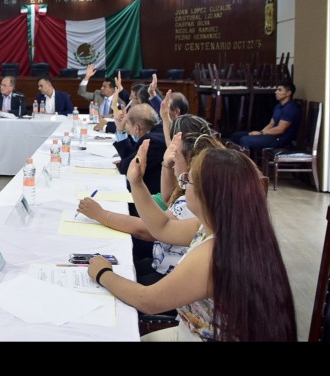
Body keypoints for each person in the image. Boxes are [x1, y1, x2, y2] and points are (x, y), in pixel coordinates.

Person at [88, 141, 297, 342]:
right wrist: (137, 182)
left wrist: (102, 273)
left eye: (188, 180)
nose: (183, 184)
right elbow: (162, 227)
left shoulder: (213, 254)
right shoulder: (227, 229)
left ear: (207, 194)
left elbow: (148, 301)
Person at [78, 116, 219, 287]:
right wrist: (166, 165)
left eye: (175, 160)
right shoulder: (200, 195)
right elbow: (168, 202)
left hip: (166, 272)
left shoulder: (196, 204)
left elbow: (151, 230)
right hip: (161, 261)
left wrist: (102, 214)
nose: (172, 161)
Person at [113, 103, 167, 195]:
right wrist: (120, 130)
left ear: (136, 128)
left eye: (127, 124)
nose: (127, 128)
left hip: (153, 197)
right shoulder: (159, 131)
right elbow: (130, 156)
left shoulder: (151, 142)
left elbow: (126, 168)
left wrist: (122, 163)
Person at [230, 80, 300, 151]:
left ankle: (246, 158)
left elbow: (280, 130)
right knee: (236, 136)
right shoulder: (278, 106)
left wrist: (261, 133)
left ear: (288, 93)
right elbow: (271, 124)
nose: (276, 92)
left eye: (280, 90)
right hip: (271, 135)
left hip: (280, 140)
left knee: (245, 140)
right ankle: (234, 157)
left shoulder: (290, 108)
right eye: (277, 90)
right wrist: (260, 133)